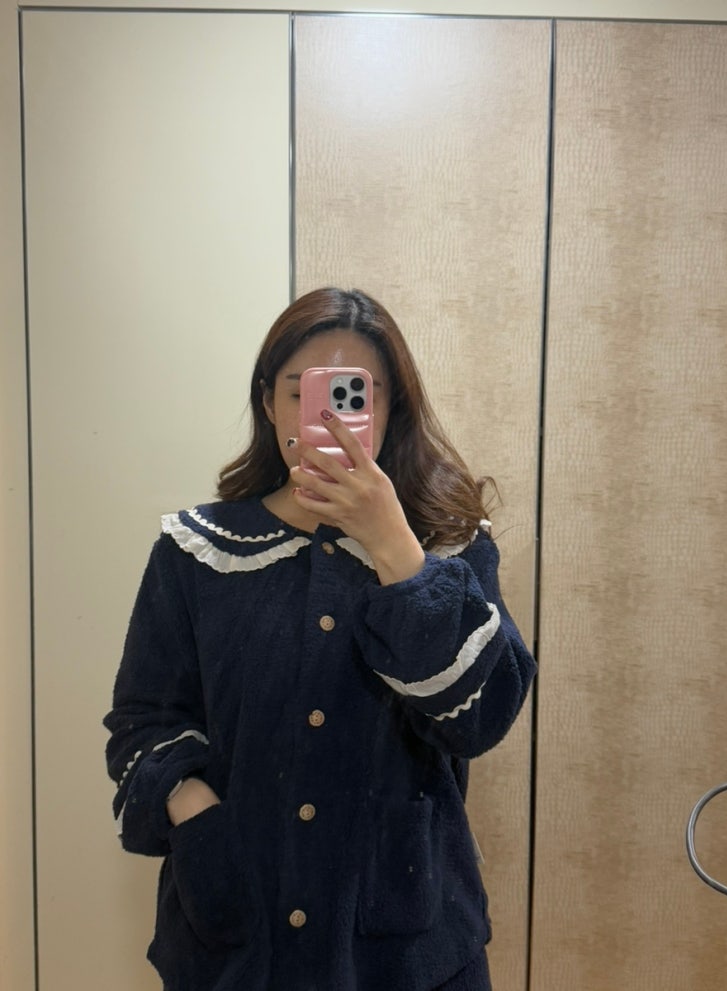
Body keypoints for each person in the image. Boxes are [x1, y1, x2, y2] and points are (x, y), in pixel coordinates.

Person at [104, 287, 536, 991]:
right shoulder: (198, 551)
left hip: (409, 942)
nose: (330, 415)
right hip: (238, 934)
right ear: (270, 404)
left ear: (390, 406)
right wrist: (195, 811)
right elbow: (141, 718)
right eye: (302, 390)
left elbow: (480, 717)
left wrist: (395, 549)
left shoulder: (446, 546)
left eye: (355, 393)